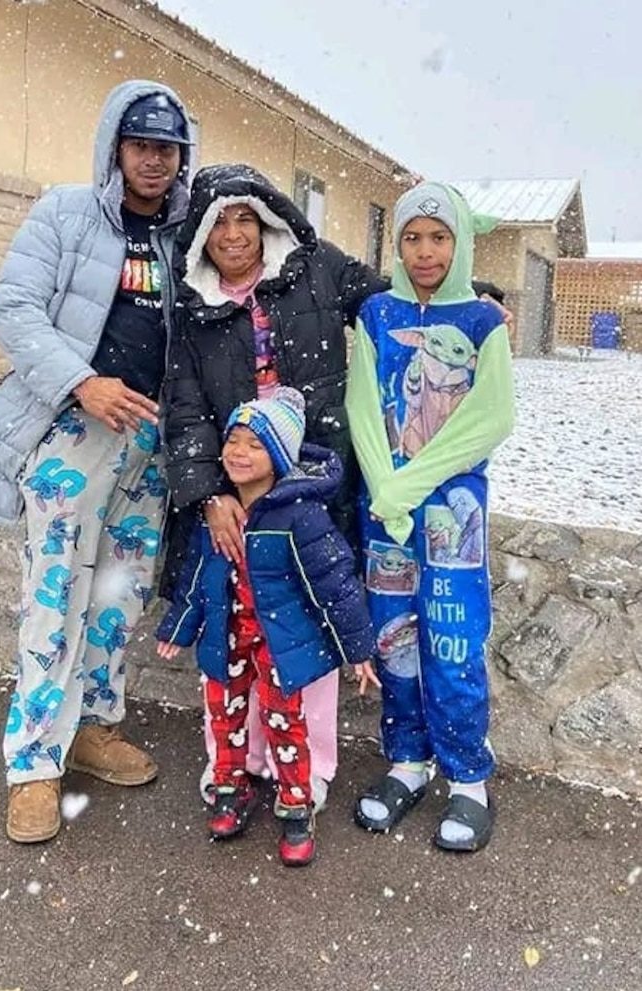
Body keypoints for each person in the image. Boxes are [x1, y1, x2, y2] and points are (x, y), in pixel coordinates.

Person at [0, 80, 194, 843]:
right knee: (55, 598)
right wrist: (84, 382)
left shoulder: (186, 234)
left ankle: (91, 730)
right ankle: (34, 764)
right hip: (71, 434)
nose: (154, 161)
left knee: (118, 596)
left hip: (150, 445)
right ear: (116, 146)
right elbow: (15, 310)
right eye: (141, 144)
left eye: (168, 148)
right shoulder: (65, 214)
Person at [160, 162, 389, 812]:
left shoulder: (316, 269)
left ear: (267, 221)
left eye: (246, 218)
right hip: (236, 490)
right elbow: (185, 409)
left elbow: (390, 300)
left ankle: (306, 769)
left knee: (305, 621)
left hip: (309, 485)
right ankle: (240, 761)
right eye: (219, 222)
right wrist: (210, 494)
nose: (234, 234)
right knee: (238, 628)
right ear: (201, 235)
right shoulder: (195, 307)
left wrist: (471, 299)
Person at [346, 181, 515, 852]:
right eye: (412, 238)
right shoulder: (377, 315)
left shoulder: (481, 323)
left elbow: (489, 418)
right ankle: (407, 763)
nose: (425, 251)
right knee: (395, 637)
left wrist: (407, 487)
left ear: (461, 243)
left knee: (452, 639)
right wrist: (384, 489)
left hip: (450, 514)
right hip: (384, 512)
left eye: (439, 237)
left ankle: (469, 777)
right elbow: (363, 407)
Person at [156, 388, 378, 866]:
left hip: (279, 643)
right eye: (233, 441)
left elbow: (335, 582)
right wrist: (178, 627)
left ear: (278, 455)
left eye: (255, 445)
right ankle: (230, 786)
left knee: (284, 721)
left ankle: (296, 803)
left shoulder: (300, 515)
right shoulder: (219, 515)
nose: (239, 452)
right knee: (224, 714)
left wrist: (358, 648)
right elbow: (198, 576)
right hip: (227, 636)